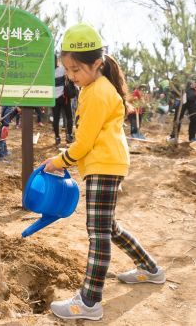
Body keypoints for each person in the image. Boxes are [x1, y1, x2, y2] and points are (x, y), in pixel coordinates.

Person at [41, 23, 165, 321]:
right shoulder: (94, 88)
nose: (71, 77)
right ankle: (151, 269)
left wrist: (59, 161)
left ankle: (89, 301)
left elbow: (84, 142)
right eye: (67, 71)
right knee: (108, 228)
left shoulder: (97, 92)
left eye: (75, 70)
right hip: (107, 163)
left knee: (97, 235)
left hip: (104, 165)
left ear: (97, 64)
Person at [53, 58, 76, 145]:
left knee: (56, 119)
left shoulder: (49, 71)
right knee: (69, 117)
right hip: (65, 97)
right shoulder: (62, 69)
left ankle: (57, 137)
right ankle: (69, 135)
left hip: (54, 99)